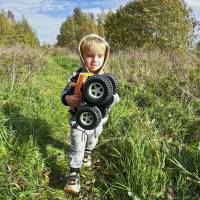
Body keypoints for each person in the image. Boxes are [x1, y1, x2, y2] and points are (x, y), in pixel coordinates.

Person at [61, 34, 120, 193]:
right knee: (77, 144)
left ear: (105, 57)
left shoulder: (106, 79)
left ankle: (88, 153)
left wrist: (109, 99)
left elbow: (117, 96)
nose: (95, 60)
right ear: (82, 56)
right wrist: (68, 98)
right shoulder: (76, 76)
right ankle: (74, 175)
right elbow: (64, 92)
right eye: (90, 56)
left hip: (99, 119)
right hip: (78, 118)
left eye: (100, 56)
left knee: (92, 140)